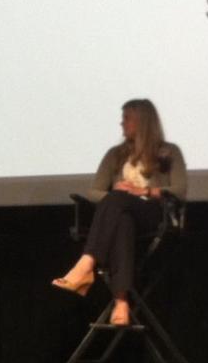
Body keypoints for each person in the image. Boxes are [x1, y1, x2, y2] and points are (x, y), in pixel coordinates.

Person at [52, 99, 186, 325]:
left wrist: (142, 191)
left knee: (118, 200)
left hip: (153, 214)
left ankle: (86, 264)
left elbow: (180, 190)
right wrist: (117, 195)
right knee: (122, 219)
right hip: (122, 215)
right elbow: (94, 191)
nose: (121, 123)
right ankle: (121, 302)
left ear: (142, 121)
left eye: (126, 118)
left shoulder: (169, 152)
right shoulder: (115, 154)